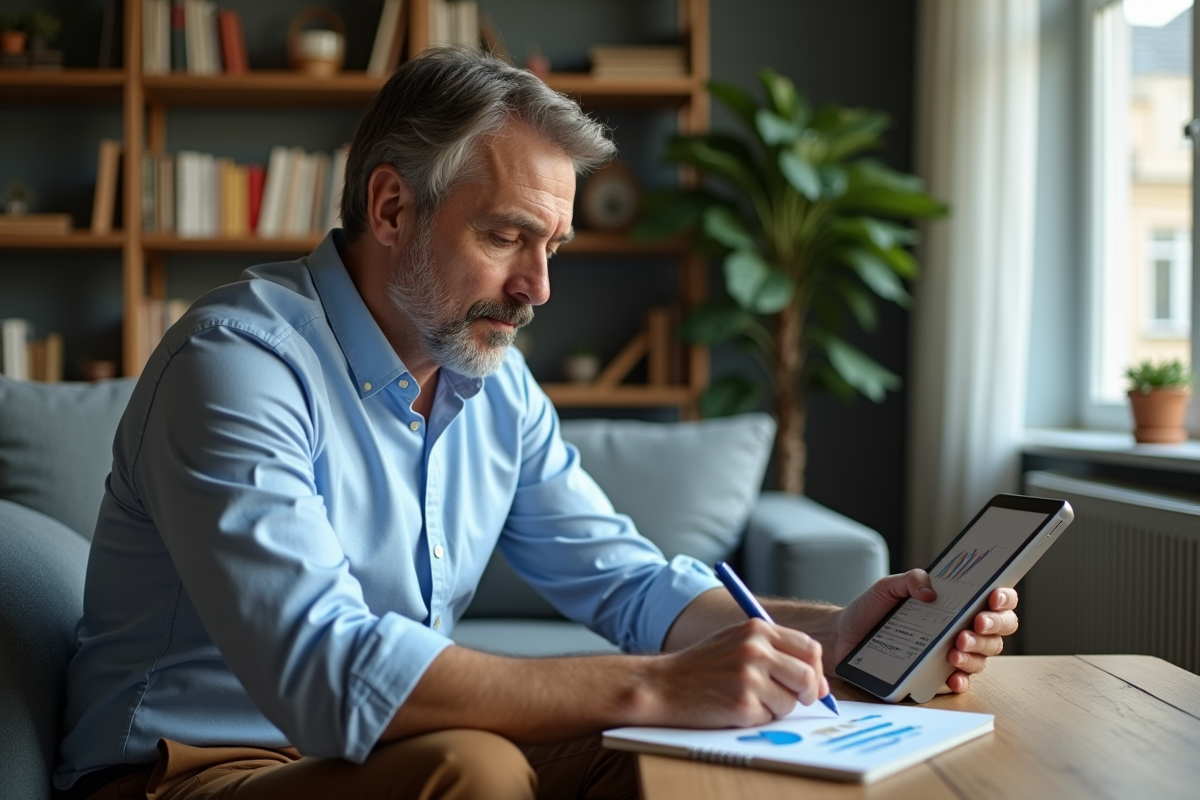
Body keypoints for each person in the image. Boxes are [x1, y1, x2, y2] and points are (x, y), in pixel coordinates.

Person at [55, 47, 1018, 800]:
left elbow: (633, 585)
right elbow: (326, 671)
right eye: (507, 235)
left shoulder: (492, 384)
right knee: (477, 773)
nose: (537, 289)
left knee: (686, 759)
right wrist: (651, 687)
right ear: (392, 206)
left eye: (550, 246)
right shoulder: (236, 365)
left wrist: (835, 631)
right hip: (187, 771)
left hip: (381, 758)